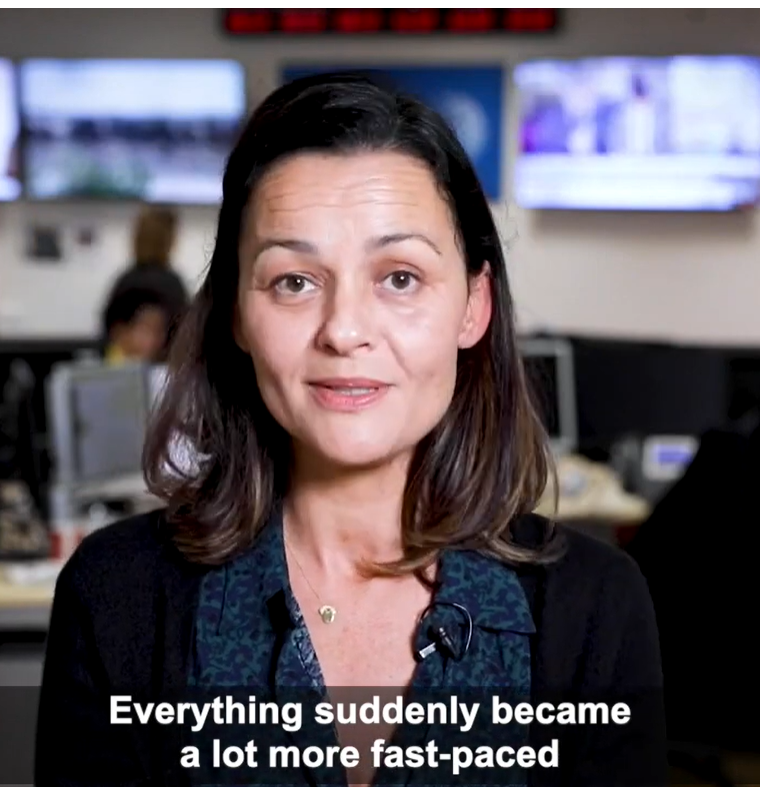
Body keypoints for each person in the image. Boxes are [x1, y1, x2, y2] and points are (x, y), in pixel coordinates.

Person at [36, 75, 665, 786]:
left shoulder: (594, 606)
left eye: (399, 278)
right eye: (293, 281)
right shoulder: (117, 594)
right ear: (237, 313)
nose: (343, 330)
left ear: (473, 305)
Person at [100, 204, 190, 359]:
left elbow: (107, 336)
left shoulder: (124, 283)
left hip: (124, 368)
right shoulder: (174, 286)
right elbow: (185, 336)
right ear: (168, 241)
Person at [101, 280, 176, 365]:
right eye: (147, 329)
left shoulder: (163, 368)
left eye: (160, 331)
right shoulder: (97, 368)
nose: (156, 341)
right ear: (119, 331)